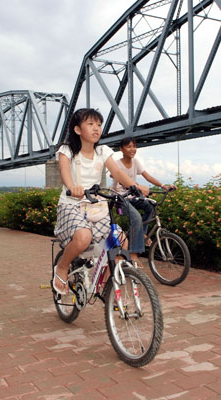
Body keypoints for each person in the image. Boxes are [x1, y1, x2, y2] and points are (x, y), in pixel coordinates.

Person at [52, 108, 150, 295]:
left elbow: (118, 172)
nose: (96, 129)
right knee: (83, 238)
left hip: (95, 206)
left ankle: (105, 284)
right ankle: (62, 268)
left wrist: (135, 185)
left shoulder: (103, 151)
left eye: (99, 124)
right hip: (71, 204)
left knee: (121, 241)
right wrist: (73, 187)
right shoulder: (67, 150)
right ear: (78, 130)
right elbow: (65, 173)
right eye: (90, 124)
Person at [111, 137, 176, 266]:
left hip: (133, 197)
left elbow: (148, 177)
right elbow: (118, 176)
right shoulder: (116, 164)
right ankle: (134, 254)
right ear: (121, 149)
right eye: (129, 146)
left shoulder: (136, 162)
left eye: (134, 146)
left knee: (150, 207)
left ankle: (143, 234)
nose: (133, 149)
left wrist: (163, 186)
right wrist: (136, 185)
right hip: (120, 198)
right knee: (136, 219)